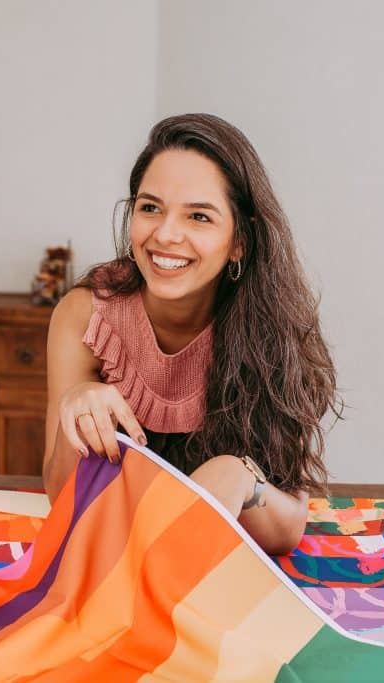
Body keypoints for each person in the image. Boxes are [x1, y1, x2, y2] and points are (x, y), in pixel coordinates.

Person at [43, 113, 340, 555]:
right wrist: (80, 405)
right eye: (150, 208)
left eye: (199, 216)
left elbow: (287, 530)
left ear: (240, 239)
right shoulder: (85, 314)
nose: (165, 234)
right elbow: (59, 499)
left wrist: (244, 481)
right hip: (110, 564)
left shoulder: (274, 328)